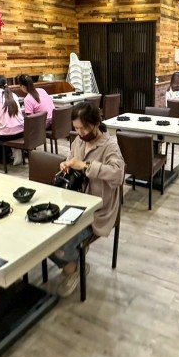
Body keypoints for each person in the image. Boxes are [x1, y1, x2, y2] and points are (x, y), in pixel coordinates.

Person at [49, 102, 124, 296]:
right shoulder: (79, 141)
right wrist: (66, 164)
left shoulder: (109, 145)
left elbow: (118, 175)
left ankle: (73, 268)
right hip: (75, 203)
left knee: (60, 245)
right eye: (76, 128)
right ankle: (74, 262)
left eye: (84, 128)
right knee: (46, 237)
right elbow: (71, 159)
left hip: (98, 210)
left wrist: (85, 165)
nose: (80, 133)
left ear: (97, 123)